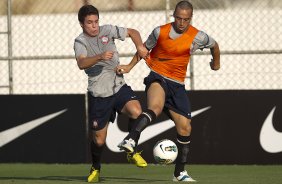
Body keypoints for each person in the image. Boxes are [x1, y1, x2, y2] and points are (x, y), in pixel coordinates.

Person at [117, 0, 220, 182]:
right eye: (179, 18)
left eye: (186, 19)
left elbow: (215, 45)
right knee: (155, 107)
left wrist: (216, 63)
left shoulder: (198, 36)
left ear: (191, 18)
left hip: (177, 86)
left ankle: (179, 173)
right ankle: (131, 139)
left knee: (185, 127)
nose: (182, 23)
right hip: (158, 77)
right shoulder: (160, 31)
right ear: (174, 15)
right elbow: (144, 50)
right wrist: (130, 67)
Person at [73, 5, 149, 183]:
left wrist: (139, 46)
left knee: (136, 111)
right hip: (99, 94)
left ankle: (132, 149)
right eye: (89, 23)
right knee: (99, 140)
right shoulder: (80, 41)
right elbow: (81, 63)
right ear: (81, 24)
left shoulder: (107, 30)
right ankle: (96, 167)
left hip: (118, 85)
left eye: (96, 21)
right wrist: (99, 56)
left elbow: (133, 32)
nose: (94, 26)